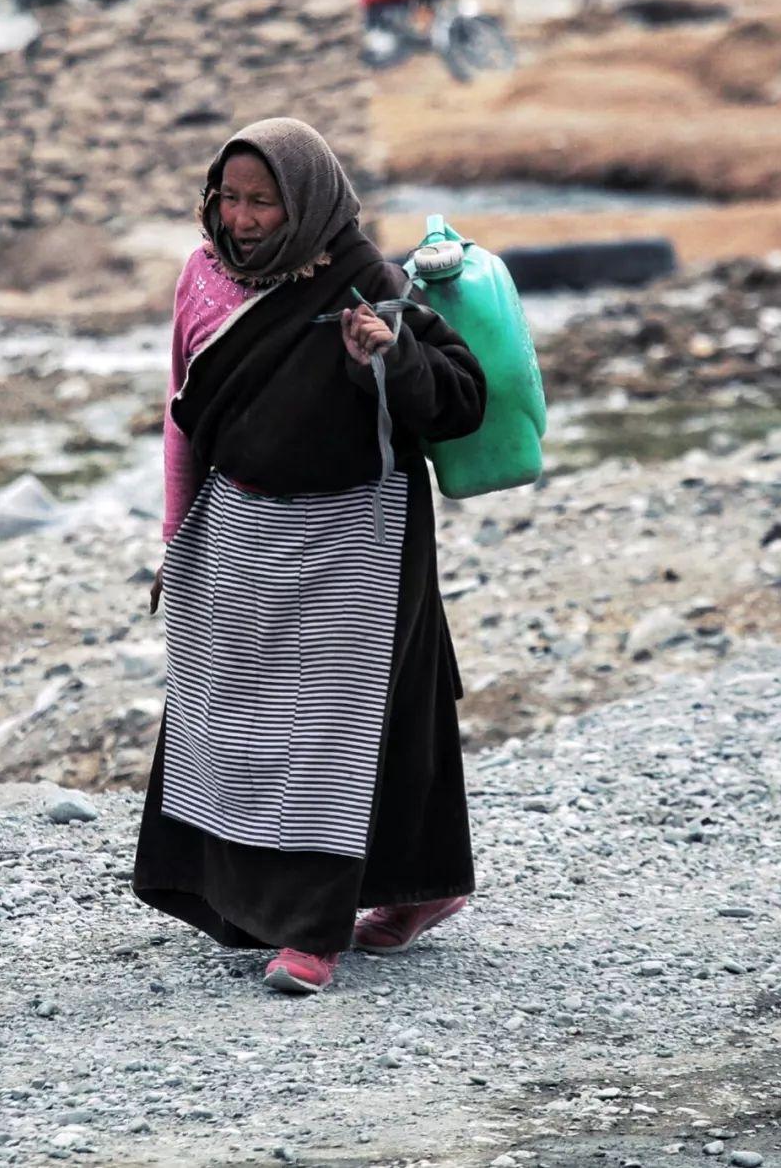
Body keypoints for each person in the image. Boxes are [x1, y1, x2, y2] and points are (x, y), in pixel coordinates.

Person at [132, 117, 487, 994]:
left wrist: (392, 352)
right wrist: (176, 540)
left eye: (264, 200)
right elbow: (184, 418)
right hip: (238, 533)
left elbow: (459, 401)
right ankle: (409, 889)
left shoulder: (369, 279)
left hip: (353, 537)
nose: (242, 218)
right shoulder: (204, 278)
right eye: (231, 197)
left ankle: (314, 934)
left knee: (326, 734)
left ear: (308, 201)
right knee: (237, 719)